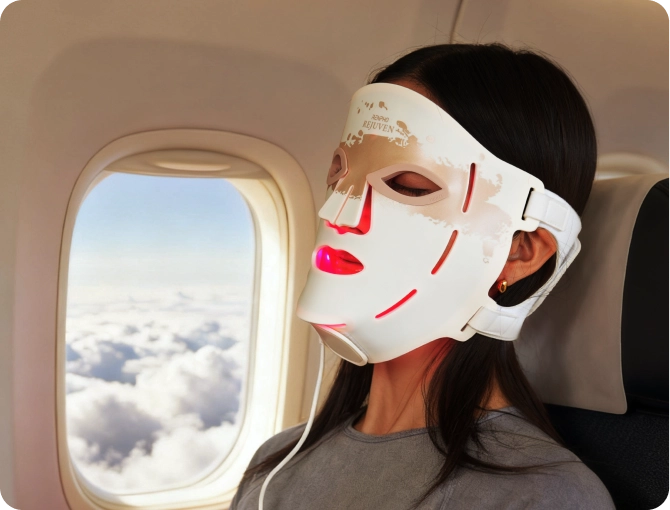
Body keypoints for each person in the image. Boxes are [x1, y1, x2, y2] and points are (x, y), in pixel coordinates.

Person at [230, 43, 615, 510]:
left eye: (407, 186)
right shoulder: (275, 462)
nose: (338, 214)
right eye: (340, 177)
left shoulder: (543, 496)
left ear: (519, 253)